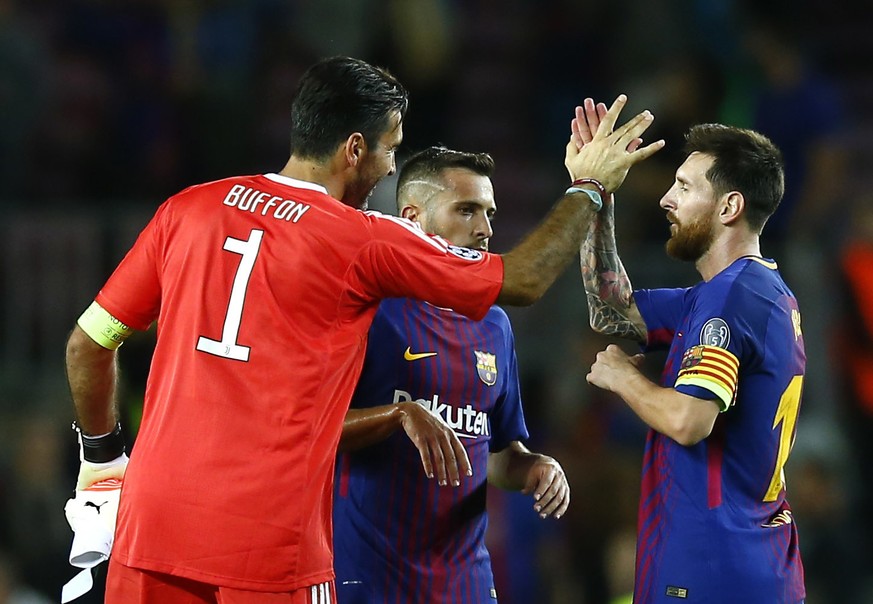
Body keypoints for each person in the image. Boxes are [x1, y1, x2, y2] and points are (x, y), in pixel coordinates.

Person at [64, 54, 662, 603]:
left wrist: (101, 458)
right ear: (354, 149)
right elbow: (524, 280)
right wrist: (589, 186)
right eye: (390, 150)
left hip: (153, 528)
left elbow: (88, 344)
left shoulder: (186, 209)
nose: (390, 168)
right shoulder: (359, 239)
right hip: (271, 546)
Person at [576, 99, 806, 602]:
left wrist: (624, 378)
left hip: (711, 568)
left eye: (684, 187)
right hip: (751, 560)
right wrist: (595, 195)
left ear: (730, 207)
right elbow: (611, 308)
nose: (666, 199)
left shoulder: (730, 298)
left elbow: (688, 419)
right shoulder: (744, 293)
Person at [332, 146, 570, 603]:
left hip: (465, 583)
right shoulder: (370, 311)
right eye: (467, 210)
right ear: (411, 216)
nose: (485, 229)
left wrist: (536, 467)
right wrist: (398, 415)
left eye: (489, 213)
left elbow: (497, 454)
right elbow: (314, 428)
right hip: (368, 577)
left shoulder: (494, 324)